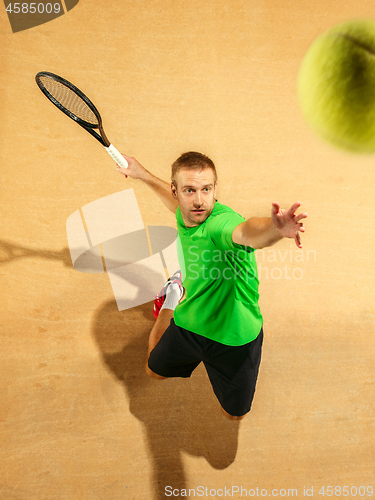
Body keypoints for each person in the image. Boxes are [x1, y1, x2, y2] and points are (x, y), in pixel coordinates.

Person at [116, 152, 307, 420]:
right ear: (176, 192)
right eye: (189, 190)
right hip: (190, 323)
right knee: (152, 370)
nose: (199, 200)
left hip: (235, 338)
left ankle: (174, 292)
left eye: (206, 190)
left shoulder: (220, 223)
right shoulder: (186, 212)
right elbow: (174, 204)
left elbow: (247, 232)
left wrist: (275, 229)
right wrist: (142, 174)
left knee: (234, 415)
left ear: (215, 189)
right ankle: (172, 298)